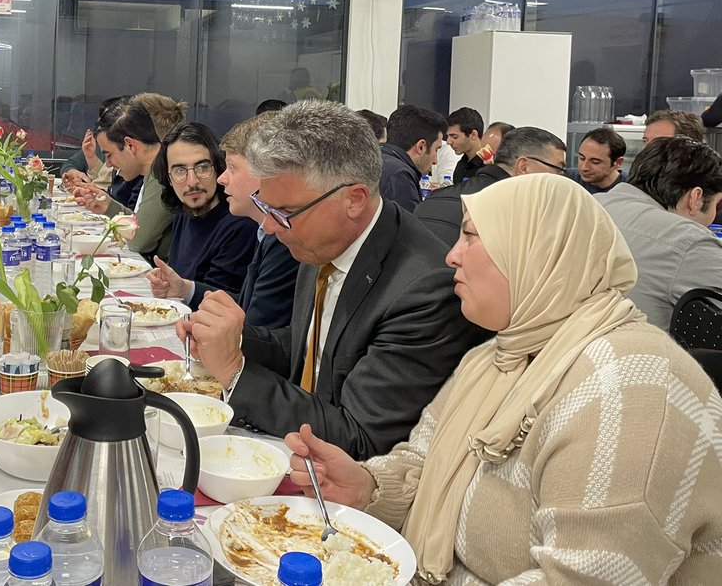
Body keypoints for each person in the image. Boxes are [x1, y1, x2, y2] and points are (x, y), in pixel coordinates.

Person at [285, 174, 721, 585]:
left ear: (536, 251)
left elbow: (580, 577)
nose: (451, 254)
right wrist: (367, 486)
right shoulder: (499, 354)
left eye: (471, 236)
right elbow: (423, 461)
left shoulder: (630, 389)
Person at [178, 101, 487, 457]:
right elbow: (303, 351)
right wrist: (232, 337)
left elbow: (360, 437)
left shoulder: (423, 288)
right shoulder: (325, 234)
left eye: (286, 213)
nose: (275, 227)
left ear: (353, 199)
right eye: (268, 208)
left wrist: (235, 370)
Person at [597, 135, 722, 331]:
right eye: (717, 204)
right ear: (695, 198)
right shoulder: (689, 242)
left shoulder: (588, 204)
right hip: (638, 356)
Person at [145, 122, 258, 309]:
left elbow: (223, 302)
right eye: (180, 170)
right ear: (169, 178)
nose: (192, 182)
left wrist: (183, 290)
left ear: (218, 168)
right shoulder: (185, 211)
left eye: (202, 167)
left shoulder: (239, 224)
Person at [415, 126, 567, 248]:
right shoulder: (516, 213)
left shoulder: (435, 198)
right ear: (523, 166)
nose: (559, 178)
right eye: (557, 169)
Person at [217, 113, 299, 328]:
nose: (221, 178)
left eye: (232, 168)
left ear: (264, 172)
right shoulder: (265, 231)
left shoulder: (287, 240)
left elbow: (259, 327)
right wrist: (187, 289)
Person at [72, 98, 175, 261]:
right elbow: (139, 226)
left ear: (130, 145)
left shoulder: (163, 173)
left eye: (109, 154)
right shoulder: (155, 167)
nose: (108, 163)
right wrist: (108, 205)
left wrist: (110, 207)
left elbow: (139, 241)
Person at [378, 104, 447, 212]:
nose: (435, 161)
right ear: (421, 147)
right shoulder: (399, 176)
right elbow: (410, 226)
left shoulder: (375, 158)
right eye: (436, 150)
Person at [569, 126, 628, 194]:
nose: (584, 168)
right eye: (582, 158)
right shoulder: (568, 180)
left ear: (618, 162)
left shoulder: (631, 189)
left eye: (595, 162)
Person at [446, 106, 485, 184]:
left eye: (454, 136)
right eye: (448, 136)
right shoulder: (461, 165)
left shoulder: (489, 166)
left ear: (473, 135)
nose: (448, 142)